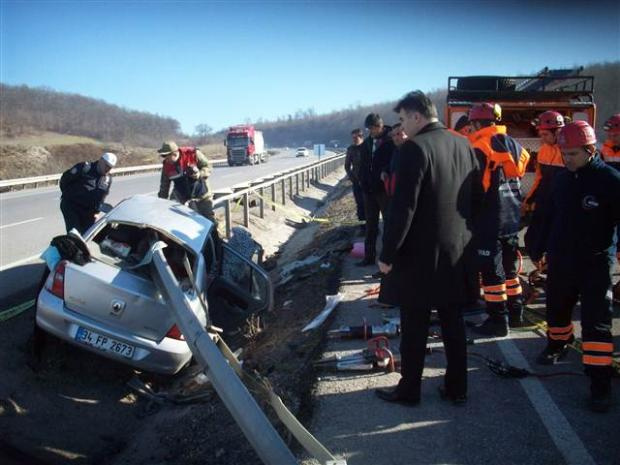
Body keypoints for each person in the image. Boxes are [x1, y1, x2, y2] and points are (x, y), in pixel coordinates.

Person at [375, 90, 481, 406]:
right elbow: (475, 199)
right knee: (453, 323)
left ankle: (409, 391)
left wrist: (387, 254)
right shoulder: (463, 144)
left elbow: (402, 209)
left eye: (405, 118)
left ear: (418, 116)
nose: (403, 126)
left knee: (415, 327)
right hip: (455, 252)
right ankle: (457, 387)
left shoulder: (414, 149)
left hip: (419, 258)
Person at [528, 121, 620, 413]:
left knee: (596, 323)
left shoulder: (610, 181)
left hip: (595, 262)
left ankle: (599, 385)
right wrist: (538, 247)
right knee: (557, 308)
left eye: (573, 154)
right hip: (562, 259)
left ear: (590, 150)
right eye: (564, 154)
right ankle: (557, 344)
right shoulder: (562, 180)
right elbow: (547, 216)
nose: (567, 160)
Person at [468, 103, 530, 336]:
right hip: (511, 216)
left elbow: (475, 188)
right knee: (510, 270)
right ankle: (515, 313)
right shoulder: (514, 144)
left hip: (488, 218)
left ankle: (497, 320)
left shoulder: (479, 146)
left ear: (475, 123)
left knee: (492, 274)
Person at [523, 111, 566, 262]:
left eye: (545, 134)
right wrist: (529, 199)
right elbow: (539, 178)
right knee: (533, 239)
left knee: (557, 242)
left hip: (562, 206)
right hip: (544, 202)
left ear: (558, 132)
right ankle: (542, 268)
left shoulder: (570, 152)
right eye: (541, 134)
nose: (542, 138)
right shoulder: (543, 151)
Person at [377, 123, 408, 308]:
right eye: (394, 135)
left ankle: (392, 297)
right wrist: (385, 172)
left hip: (404, 209)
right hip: (393, 204)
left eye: (399, 134)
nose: (396, 137)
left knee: (396, 252)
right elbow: (391, 168)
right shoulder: (397, 152)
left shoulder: (412, 153)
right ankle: (389, 297)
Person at [357, 113, 394, 266]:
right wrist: (362, 183)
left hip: (384, 191)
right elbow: (363, 166)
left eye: (372, 129)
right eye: (368, 129)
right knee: (370, 225)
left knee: (388, 225)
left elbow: (394, 163)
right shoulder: (366, 143)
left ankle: (386, 260)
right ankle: (369, 257)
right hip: (369, 191)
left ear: (380, 126)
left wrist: (385, 173)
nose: (370, 132)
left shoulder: (391, 141)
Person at [157, 141, 216, 223]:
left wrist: (200, 174)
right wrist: (161, 204)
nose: (165, 159)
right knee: (180, 222)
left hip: (202, 194)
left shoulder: (192, 154)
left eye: (166, 156)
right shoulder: (166, 166)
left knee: (209, 221)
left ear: (174, 154)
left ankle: (214, 234)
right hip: (181, 196)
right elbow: (164, 187)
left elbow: (208, 166)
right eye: (163, 156)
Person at [59, 152, 117, 234]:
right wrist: (68, 196)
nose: (108, 169)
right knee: (75, 233)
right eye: (106, 165)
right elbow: (64, 180)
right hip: (72, 207)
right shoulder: (85, 168)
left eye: (110, 167)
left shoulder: (107, 179)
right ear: (101, 160)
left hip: (89, 212)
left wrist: (97, 213)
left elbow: (102, 198)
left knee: (94, 234)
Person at [344, 128, 366, 231]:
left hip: (369, 181)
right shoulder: (351, 149)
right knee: (360, 205)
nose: (355, 139)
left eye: (357, 137)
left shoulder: (368, 147)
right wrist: (353, 179)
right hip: (357, 182)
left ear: (361, 136)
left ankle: (372, 227)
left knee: (370, 206)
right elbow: (347, 166)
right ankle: (363, 227)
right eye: (353, 137)